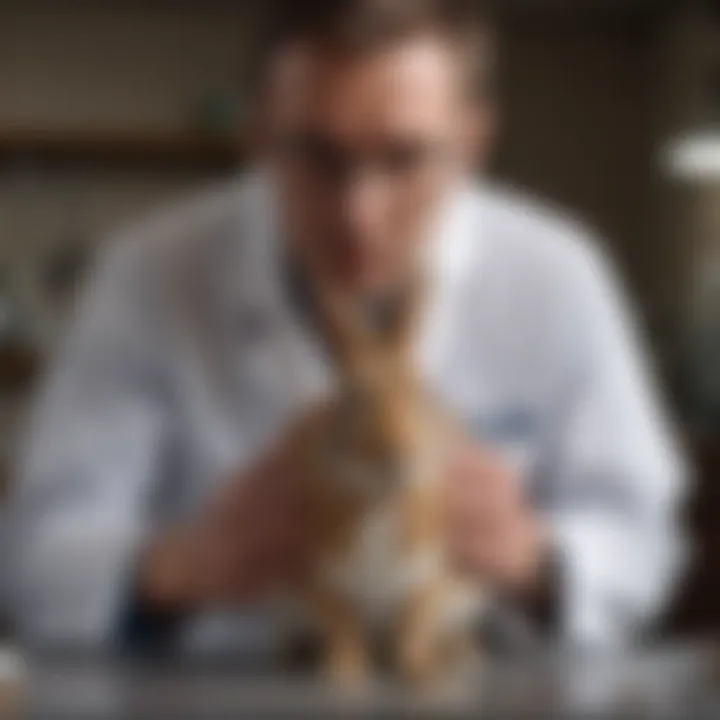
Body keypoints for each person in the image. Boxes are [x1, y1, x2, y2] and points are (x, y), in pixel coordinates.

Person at [6, 0, 685, 655]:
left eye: (405, 158)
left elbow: (646, 540)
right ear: (259, 134)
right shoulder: (145, 276)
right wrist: (182, 565)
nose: (358, 212)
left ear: (473, 141)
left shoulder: (558, 275)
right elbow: (33, 554)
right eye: (316, 156)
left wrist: (537, 558)